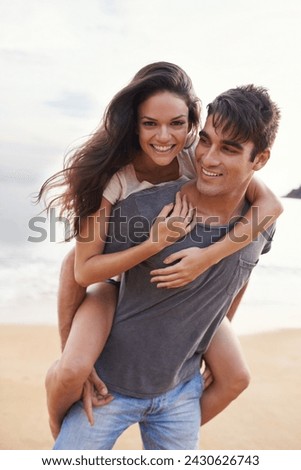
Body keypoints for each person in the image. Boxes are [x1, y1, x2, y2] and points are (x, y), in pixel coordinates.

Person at [38, 63, 282, 448]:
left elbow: (265, 213)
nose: (164, 137)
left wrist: (207, 259)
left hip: (176, 370)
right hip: (110, 282)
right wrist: (153, 243)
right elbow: (79, 267)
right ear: (134, 125)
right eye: (150, 124)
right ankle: (59, 422)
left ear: (189, 125)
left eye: (176, 125)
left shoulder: (198, 159)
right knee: (73, 368)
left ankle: (169, 419)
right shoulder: (118, 184)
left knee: (236, 375)